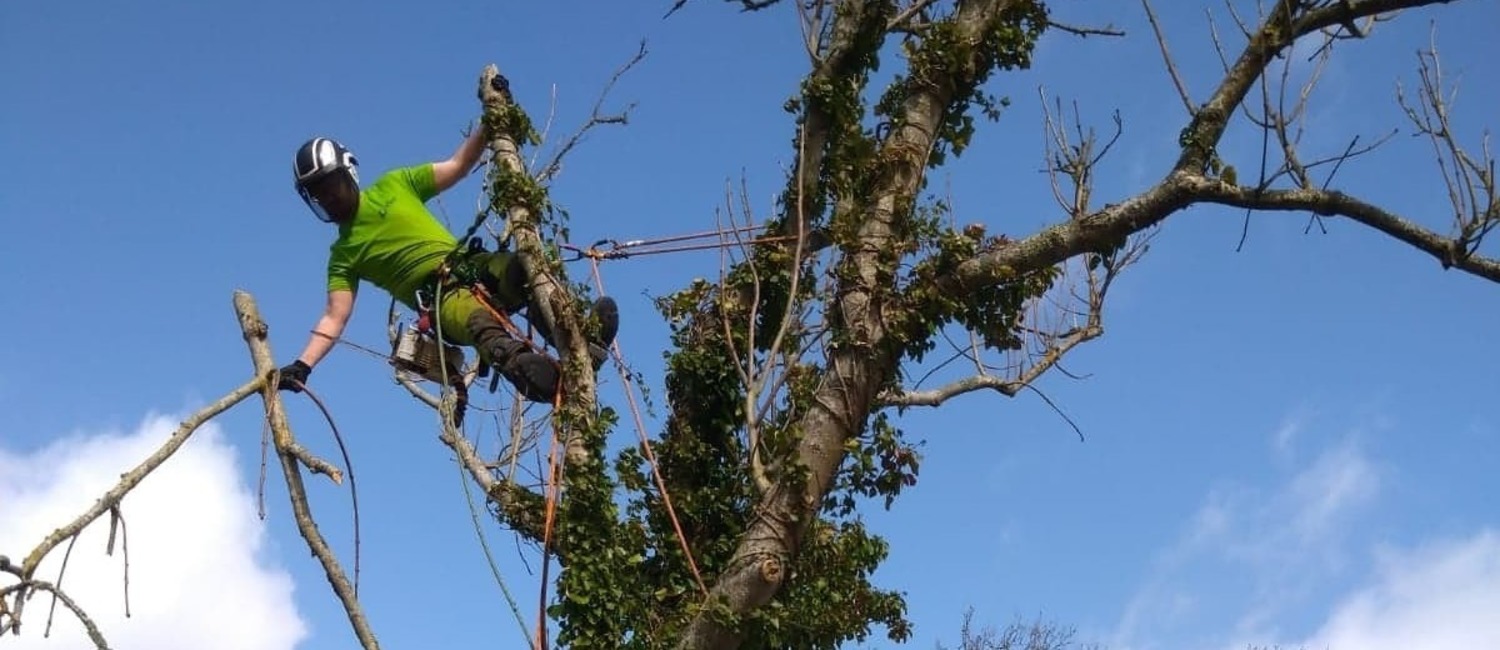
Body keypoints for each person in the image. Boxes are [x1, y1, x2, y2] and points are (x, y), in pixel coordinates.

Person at [274, 121, 618, 403]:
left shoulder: (396, 184)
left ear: (348, 173)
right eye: (319, 195)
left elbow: (458, 165)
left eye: (331, 186)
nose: (329, 198)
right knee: (484, 329)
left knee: (521, 269)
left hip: (473, 263)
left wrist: (491, 120)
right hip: (442, 300)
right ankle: (550, 382)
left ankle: (581, 340)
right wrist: (303, 365)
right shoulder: (342, 256)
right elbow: (335, 317)